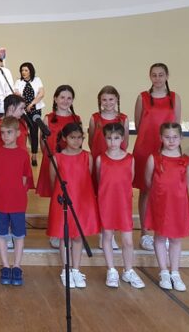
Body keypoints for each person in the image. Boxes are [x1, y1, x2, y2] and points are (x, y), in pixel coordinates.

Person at [133, 63, 181, 251]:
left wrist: (172, 149)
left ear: (167, 76)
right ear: (150, 77)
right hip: (145, 148)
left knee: (166, 191)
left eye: (161, 75)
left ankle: (163, 230)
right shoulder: (142, 97)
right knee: (146, 190)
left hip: (167, 151)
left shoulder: (175, 98)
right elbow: (139, 125)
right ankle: (145, 233)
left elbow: (176, 127)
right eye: (154, 75)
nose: (158, 78)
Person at [46, 123, 100, 288]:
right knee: (65, 236)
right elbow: (53, 181)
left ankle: (76, 269)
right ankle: (66, 270)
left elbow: (88, 177)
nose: (76, 141)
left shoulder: (87, 157)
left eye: (79, 138)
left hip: (82, 201)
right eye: (72, 137)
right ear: (64, 138)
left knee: (78, 237)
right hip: (64, 201)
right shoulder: (57, 158)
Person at [145, 122, 189, 292]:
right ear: (161, 138)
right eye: (167, 137)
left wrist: (177, 195)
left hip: (178, 205)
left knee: (176, 239)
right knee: (160, 237)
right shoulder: (154, 159)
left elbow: (187, 184)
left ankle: (175, 272)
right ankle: (164, 272)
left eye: (175, 137)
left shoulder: (186, 161)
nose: (171, 141)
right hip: (161, 203)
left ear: (181, 138)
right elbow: (148, 181)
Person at [95, 123, 145, 289]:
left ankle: (128, 270)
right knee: (107, 237)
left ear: (122, 139)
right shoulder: (100, 159)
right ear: (105, 139)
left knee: (128, 241)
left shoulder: (130, 159)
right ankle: (111, 270)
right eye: (109, 138)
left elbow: (130, 179)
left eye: (116, 138)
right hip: (106, 203)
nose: (112, 142)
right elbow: (99, 180)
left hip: (123, 204)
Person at [0, 116, 33, 286]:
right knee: (1, 233)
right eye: (2, 133)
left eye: (9, 132)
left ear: (18, 133)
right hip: (1, 201)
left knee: (18, 234)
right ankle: (5, 265)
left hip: (17, 202)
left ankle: (17, 265)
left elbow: (24, 178)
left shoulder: (23, 154)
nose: (5, 136)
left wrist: (17, 194)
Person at [88, 85, 128, 251]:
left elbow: (125, 142)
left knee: (113, 199)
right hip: (100, 162)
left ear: (117, 99)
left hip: (116, 164)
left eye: (111, 99)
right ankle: (102, 233)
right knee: (100, 197)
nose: (108, 102)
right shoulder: (95, 118)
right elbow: (91, 140)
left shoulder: (123, 119)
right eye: (104, 100)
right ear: (99, 101)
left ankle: (110, 233)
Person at [36, 85, 82, 199]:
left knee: (70, 191)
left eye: (69, 98)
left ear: (72, 100)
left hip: (70, 162)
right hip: (52, 160)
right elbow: (42, 142)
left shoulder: (77, 119)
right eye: (62, 97)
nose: (65, 101)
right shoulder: (48, 118)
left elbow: (79, 143)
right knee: (55, 193)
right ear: (55, 99)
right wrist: (49, 157)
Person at [14, 62, 45, 166]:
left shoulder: (37, 80)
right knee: (22, 132)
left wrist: (31, 104)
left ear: (31, 71)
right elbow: (16, 93)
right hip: (22, 111)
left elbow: (41, 93)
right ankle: (21, 154)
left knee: (34, 132)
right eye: (22, 70)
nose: (23, 72)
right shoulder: (18, 82)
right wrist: (22, 103)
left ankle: (34, 155)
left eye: (26, 70)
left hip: (35, 109)